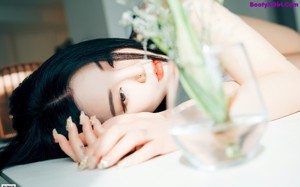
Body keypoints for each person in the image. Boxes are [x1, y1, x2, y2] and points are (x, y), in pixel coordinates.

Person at [1, 0, 300, 171]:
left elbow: (292, 80)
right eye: (121, 97)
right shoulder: (158, 109)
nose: (139, 71)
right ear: (120, 123)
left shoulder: (169, 15)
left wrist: (176, 124)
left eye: (111, 61)